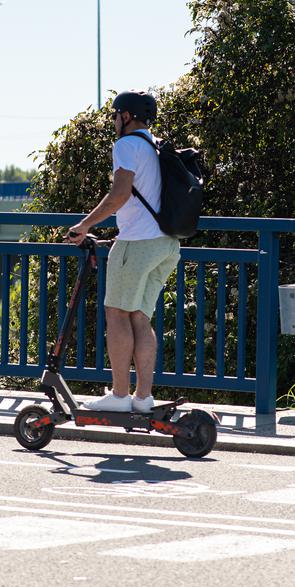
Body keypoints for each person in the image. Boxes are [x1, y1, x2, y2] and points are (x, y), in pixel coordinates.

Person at [67, 90, 181, 413]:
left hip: (137, 243)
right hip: (166, 244)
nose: (115, 121)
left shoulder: (127, 146)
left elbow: (119, 195)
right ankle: (143, 398)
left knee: (116, 313)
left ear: (126, 116)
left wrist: (85, 225)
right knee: (140, 318)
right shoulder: (155, 146)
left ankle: (118, 396)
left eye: (116, 115)